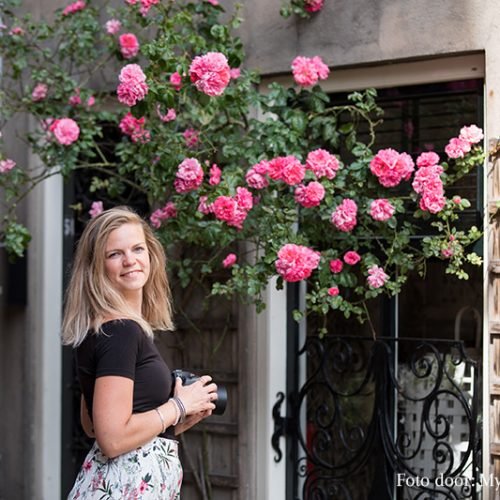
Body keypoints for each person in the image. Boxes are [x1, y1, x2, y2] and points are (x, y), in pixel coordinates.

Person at [62, 206, 217, 499]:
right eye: (114, 254)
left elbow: (93, 425)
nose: (130, 260)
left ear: (151, 255)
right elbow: (111, 438)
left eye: (137, 248)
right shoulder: (121, 331)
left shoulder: (103, 329)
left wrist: (175, 423)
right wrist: (178, 406)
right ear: (97, 267)